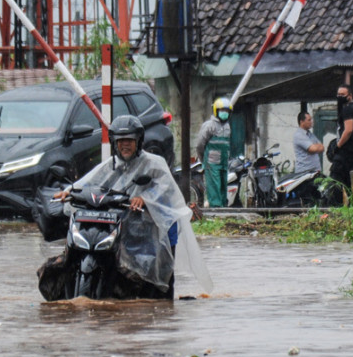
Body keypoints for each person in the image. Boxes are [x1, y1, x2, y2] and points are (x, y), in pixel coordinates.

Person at [61, 114, 212, 293]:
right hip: (128, 223)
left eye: (129, 140)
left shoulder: (154, 163)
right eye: (121, 140)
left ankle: (162, 301)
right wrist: (69, 191)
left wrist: (145, 198)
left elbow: (165, 187)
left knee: (159, 279)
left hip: (156, 226)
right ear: (114, 143)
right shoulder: (111, 165)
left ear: (138, 141)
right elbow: (90, 180)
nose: (125, 144)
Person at [196, 97, 232, 207]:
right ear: (216, 111)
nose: (225, 113)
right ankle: (215, 208)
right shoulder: (209, 125)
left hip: (224, 162)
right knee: (214, 186)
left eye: (227, 111)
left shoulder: (227, 126)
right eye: (222, 110)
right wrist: (203, 159)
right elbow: (200, 144)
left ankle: (223, 207)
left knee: (223, 185)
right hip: (212, 162)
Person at [331, 83, 353, 190]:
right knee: (348, 181)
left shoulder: (348, 109)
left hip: (346, 151)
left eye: (342, 94)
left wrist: (338, 146)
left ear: (350, 95)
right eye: (338, 94)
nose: (340, 97)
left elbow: (348, 130)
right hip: (352, 151)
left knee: (336, 181)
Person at [293, 110, 325, 175]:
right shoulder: (299, 135)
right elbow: (313, 149)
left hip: (314, 172)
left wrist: (315, 146)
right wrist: (316, 146)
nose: (311, 122)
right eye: (309, 120)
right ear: (302, 122)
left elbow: (322, 147)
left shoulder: (310, 134)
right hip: (304, 173)